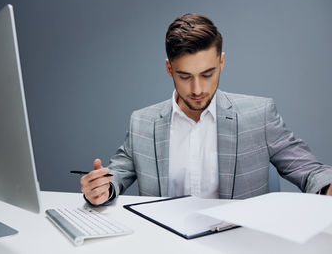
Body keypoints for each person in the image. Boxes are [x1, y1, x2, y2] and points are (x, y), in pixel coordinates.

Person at [80, 13, 332, 206]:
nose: (197, 88)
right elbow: (116, 175)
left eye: (207, 74)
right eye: (184, 76)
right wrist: (101, 188)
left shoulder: (259, 115)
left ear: (221, 62)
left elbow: (310, 171)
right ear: (169, 69)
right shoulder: (142, 123)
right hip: (162, 244)